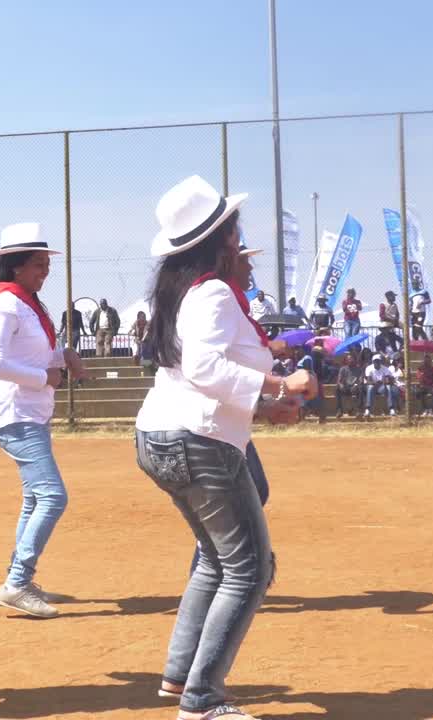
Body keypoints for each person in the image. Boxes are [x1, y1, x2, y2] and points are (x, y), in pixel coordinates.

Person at [134, 176, 311, 720]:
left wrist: (263, 402)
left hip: (166, 436)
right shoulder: (210, 292)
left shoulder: (186, 291)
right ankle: (203, 699)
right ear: (222, 239)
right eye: (235, 230)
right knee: (248, 570)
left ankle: (181, 678)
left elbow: (200, 373)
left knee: (217, 562)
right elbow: (205, 368)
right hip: (198, 443)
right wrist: (279, 387)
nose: (242, 239)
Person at [0, 223, 87, 619]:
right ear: (18, 266)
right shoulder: (8, 304)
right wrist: (46, 376)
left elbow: (31, 353)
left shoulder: (24, 301)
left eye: (46, 264)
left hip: (29, 412)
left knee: (35, 498)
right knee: (53, 496)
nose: (46, 271)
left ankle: (17, 579)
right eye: (39, 264)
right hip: (16, 414)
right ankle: (18, 582)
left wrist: (63, 357)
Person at [334, 354, 361, 418]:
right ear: (346, 360)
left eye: (351, 358)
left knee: (360, 389)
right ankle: (339, 410)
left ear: (354, 360)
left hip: (354, 387)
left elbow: (360, 380)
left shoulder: (358, 369)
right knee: (337, 389)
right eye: (348, 359)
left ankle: (358, 411)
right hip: (345, 387)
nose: (350, 360)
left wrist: (356, 385)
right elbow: (339, 380)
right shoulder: (343, 369)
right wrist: (341, 385)